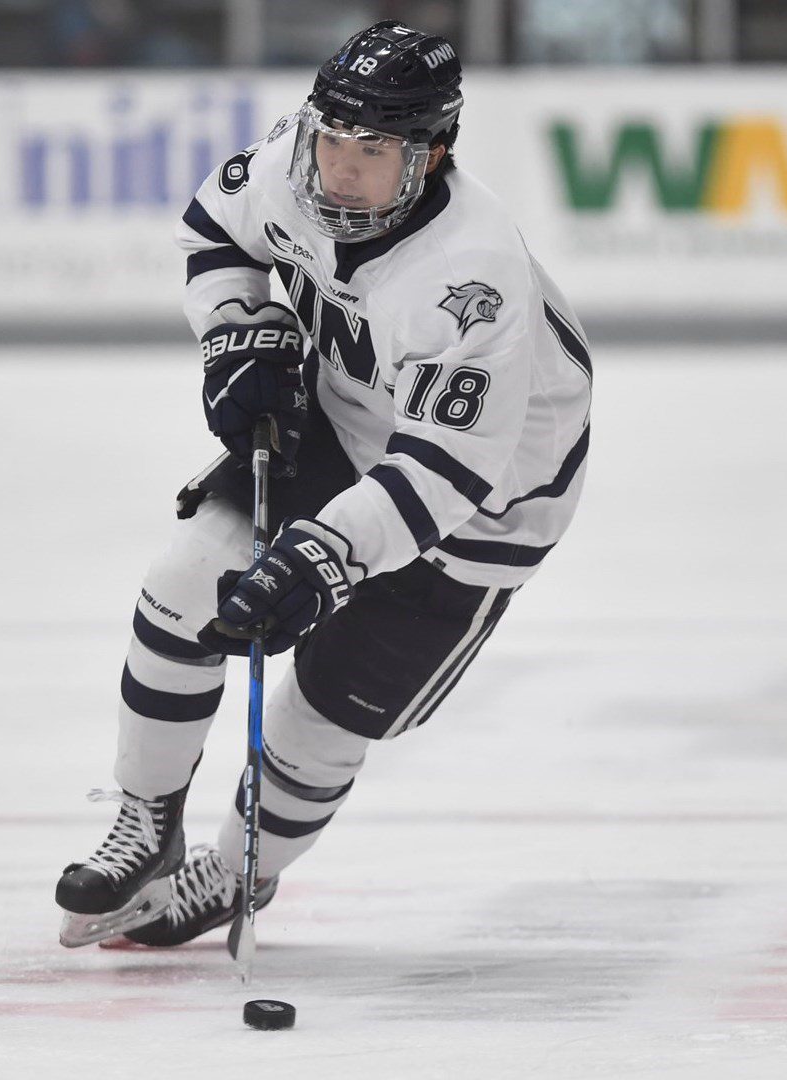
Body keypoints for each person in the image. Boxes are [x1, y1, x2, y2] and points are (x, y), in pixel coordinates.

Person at [53, 20, 593, 948]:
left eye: (373, 152)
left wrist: (323, 561)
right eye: (333, 141)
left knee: (322, 716)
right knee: (188, 579)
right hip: (346, 430)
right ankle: (146, 819)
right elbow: (213, 234)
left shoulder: (473, 276)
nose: (339, 172)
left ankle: (231, 876)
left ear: (430, 156)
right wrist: (237, 328)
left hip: (482, 511)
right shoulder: (290, 164)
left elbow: (445, 472)